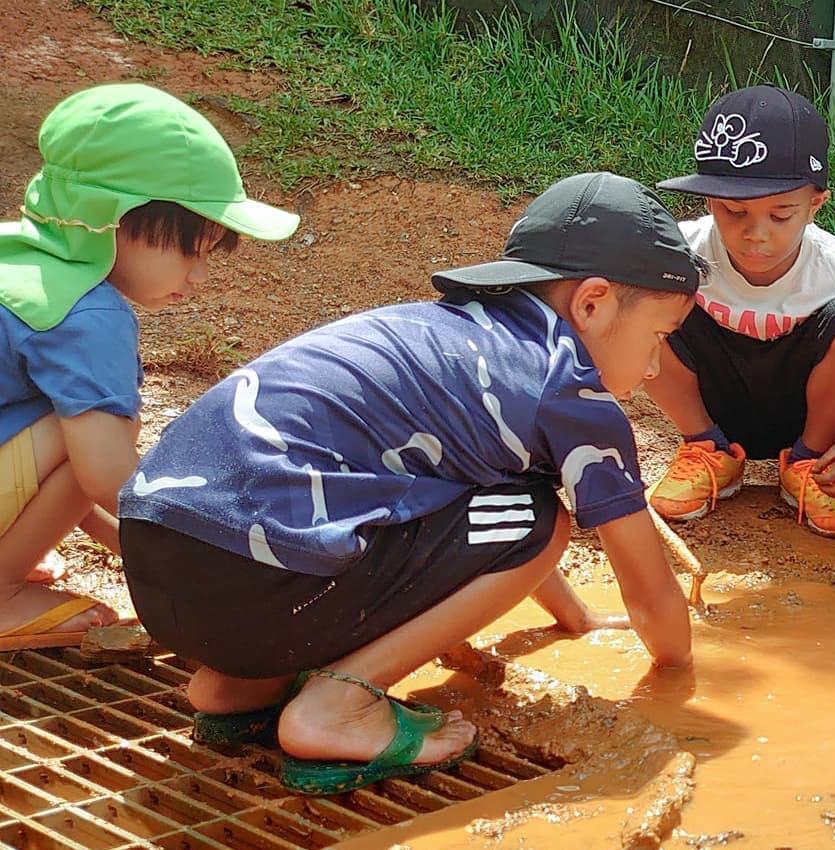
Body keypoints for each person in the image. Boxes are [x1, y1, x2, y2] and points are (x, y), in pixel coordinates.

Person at [118, 172, 700, 794]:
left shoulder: (455, 334)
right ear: (592, 302)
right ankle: (338, 707)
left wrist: (576, 616)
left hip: (162, 567)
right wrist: (681, 671)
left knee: (513, 516)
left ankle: (237, 686)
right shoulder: (568, 389)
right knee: (543, 520)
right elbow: (644, 590)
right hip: (259, 580)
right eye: (659, 336)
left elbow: (487, 521)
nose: (655, 364)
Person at [0, 83, 297, 650]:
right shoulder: (90, 315)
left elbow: (82, 491)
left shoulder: (14, 256)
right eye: (193, 250)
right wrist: (205, 561)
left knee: (72, 415)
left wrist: (124, 543)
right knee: (99, 431)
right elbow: (105, 478)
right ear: (117, 220)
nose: (200, 276)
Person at [649, 85, 835, 538]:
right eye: (733, 211)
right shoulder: (679, 254)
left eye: (781, 215)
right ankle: (707, 451)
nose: (755, 234)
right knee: (642, 302)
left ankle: (807, 466)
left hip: (810, 415)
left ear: (815, 205)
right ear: (707, 202)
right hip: (714, 405)